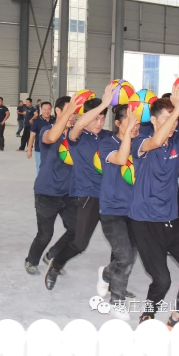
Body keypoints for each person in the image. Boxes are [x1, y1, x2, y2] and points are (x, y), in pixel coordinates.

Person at [120, 96, 179, 327]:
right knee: (162, 280)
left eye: (175, 120)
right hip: (144, 221)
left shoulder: (178, 143)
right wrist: (178, 110)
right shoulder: (141, 140)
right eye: (167, 119)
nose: (173, 124)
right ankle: (148, 314)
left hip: (171, 219)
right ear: (154, 120)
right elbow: (156, 141)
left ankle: (177, 314)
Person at [47, 93, 116, 289]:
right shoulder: (76, 136)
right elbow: (78, 125)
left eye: (103, 118)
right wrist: (103, 103)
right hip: (89, 195)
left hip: (110, 196)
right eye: (96, 118)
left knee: (121, 244)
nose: (99, 122)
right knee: (80, 243)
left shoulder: (107, 137)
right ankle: (56, 264)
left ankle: (115, 281)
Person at [94, 102, 141, 318]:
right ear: (118, 123)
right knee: (125, 257)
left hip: (136, 210)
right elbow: (121, 159)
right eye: (130, 122)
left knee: (130, 256)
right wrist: (129, 135)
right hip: (112, 210)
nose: (135, 127)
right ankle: (117, 301)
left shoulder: (141, 143)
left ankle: (106, 274)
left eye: (138, 123)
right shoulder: (107, 143)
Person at [24, 96, 77, 276]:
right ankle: (31, 260)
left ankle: (53, 255)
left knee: (76, 230)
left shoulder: (76, 135)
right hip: (47, 192)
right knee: (45, 234)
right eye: (68, 111)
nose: (72, 116)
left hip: (69, 193)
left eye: (75, 112)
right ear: (58, 111)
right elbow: (52, 137)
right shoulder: (47, 130)